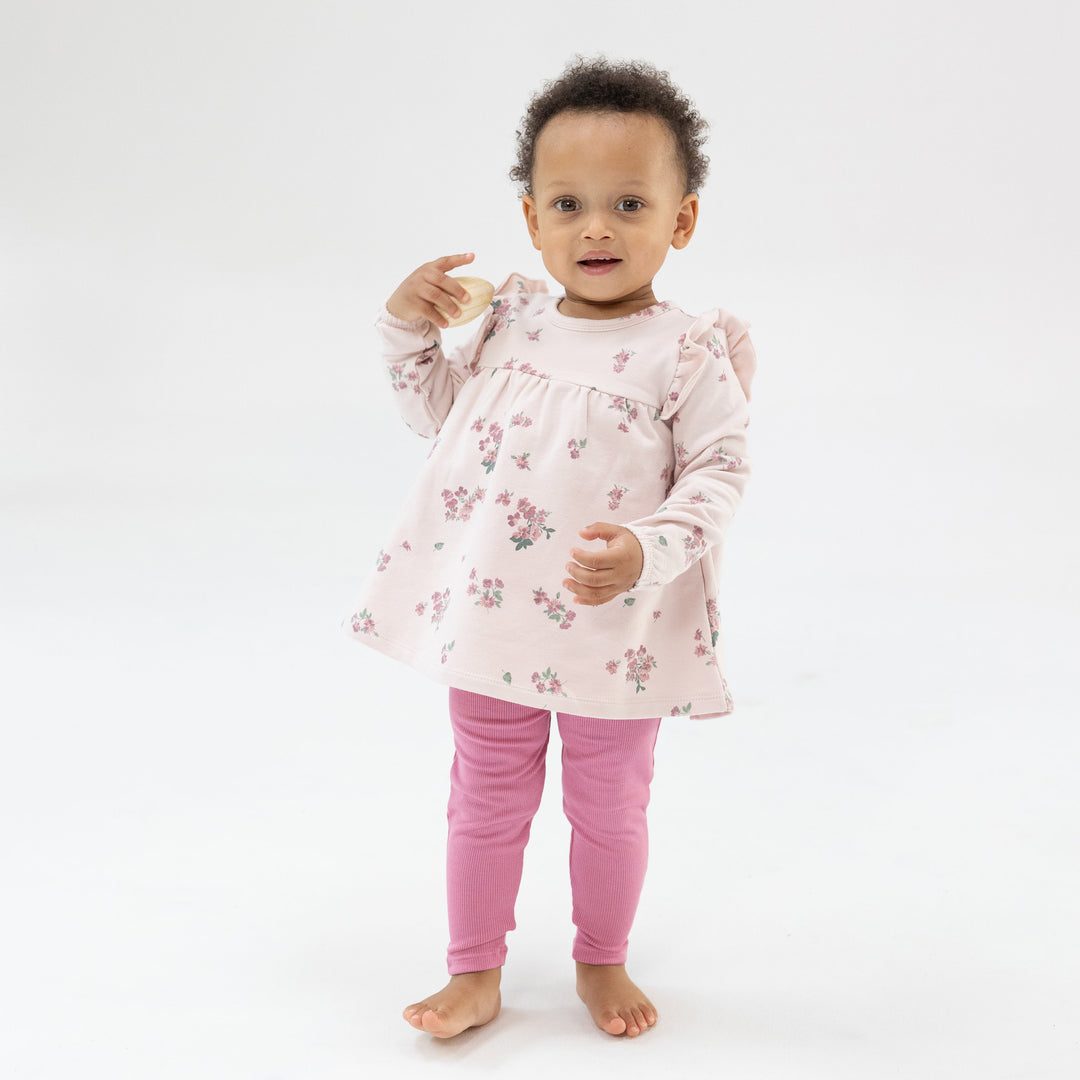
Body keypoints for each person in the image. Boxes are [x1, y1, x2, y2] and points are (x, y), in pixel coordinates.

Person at [346, 56, 757, 1039]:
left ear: (682, 221)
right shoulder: (511, 319)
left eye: (628, 203)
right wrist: (407, 329)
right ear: (531, 219)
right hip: (493, 622)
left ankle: (601, 957)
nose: (596, 228)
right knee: (485, 796)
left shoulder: (685, 350)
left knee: (609, 806)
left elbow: (721, 471)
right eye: (568, 204)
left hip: (613, 630)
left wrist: (650, 548)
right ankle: (474, 969)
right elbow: (439, 420)